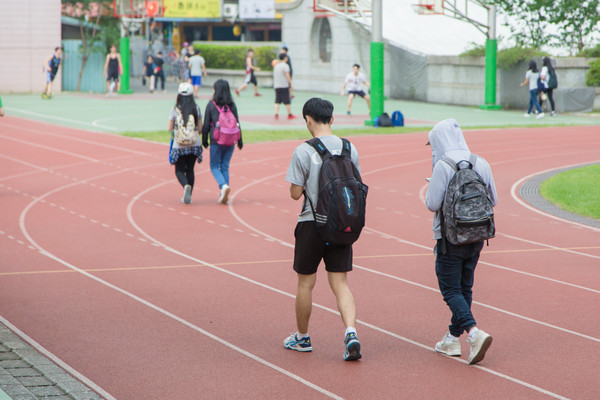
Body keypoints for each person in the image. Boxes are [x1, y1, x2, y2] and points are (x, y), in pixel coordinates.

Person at [283, 97, 362, 361]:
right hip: (342, 224)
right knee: (340, 283)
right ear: (332, 118)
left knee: (306, 283)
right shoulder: (351, 149)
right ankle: (351, 331)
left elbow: (295, 194)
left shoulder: (303, 151)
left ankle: (302, 338)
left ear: (307, 119)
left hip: (311, 224)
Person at [425, 119, 497, 365]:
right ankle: (452, 339)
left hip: (450, 239)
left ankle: (474, 333)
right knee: (465, 288)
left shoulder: (443, 166)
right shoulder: (481, 162)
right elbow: (493, 200)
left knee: (451, 290)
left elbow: (432, 204)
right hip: (477, 236)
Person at [202, 79, 243, 204]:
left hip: (217, 139)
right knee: (224, 166)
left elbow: (206, 125)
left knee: (214, 166)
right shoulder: (232, 105)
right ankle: (224, 193)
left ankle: (223, 186)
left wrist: (204, 140)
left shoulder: (211, 105)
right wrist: (240, 140)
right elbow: (237, 123)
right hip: (231, 140)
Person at [168, 82, 203, 204]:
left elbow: (169, 128)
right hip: (195, 144)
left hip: (180, 144)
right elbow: (200, 129)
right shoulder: (196, 108)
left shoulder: (174, 109)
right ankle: (189, 195)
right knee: (190, 170)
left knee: (178, 170)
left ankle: (185, 186)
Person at [273, 53, 296, 120]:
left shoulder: (276, 66)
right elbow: (288, 75)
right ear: (285, 58)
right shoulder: (285, 66)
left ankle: (276, 114)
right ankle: (289, 114)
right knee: (287, 101)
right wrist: (290, 83)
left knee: (277, 100)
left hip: (277, 86)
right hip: (284, 86)